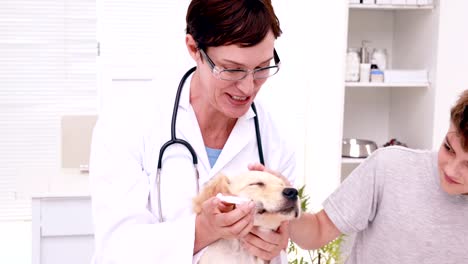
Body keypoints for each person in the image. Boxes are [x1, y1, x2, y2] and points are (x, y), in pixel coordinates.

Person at [89, 1, 296, 263]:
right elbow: (116, 249)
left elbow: (274, 247)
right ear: (194, 49)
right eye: (232, 69)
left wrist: (275, 243)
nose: (247, 88)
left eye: (262, 68)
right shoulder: (128, 122)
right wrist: (202, 230)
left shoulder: (273, 138)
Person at [289, 90, 468, 263]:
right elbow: (318, 231)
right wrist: (281, 206)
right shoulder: (389, 166)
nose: (451, 170)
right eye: (448, 148)